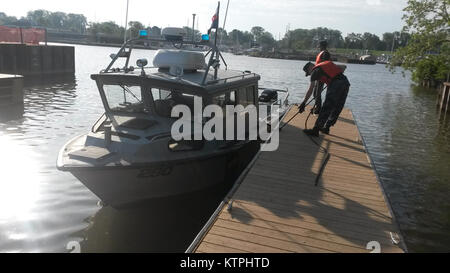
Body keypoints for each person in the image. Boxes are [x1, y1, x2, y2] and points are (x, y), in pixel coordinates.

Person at [298, 60, 350, 137]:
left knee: (327, 106)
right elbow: (343, 67)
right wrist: (332, 75)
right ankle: (326, 127)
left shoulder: (315, 71)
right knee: (337, 106)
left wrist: (304, 103)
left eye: (308, 73)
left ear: (310, 68)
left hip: (336, 84)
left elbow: (310, 89)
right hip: (345, 82)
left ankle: (316, 130)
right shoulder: (324, 65)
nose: (310, 75)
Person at [312, 40, 331, 115]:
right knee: (315, 93)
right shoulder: (322, 53)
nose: (318, 47)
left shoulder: (326, 53)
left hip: (322, 76)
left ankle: (318, 109)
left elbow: (325, 65)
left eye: (319, 46)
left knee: (317, 93)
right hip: (318, 75)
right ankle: (317, 106)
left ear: (322, 46)